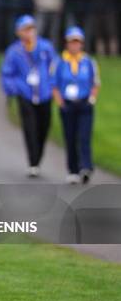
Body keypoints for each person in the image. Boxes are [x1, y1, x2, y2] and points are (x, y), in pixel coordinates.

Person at [1, 15, 57, 177]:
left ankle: (38, 156)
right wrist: (12, 89)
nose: (29, 32)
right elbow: (7, 73)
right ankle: (33, 162)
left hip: (44, 93)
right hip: (25, 93)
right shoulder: (14, 52)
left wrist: (53, 85)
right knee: (30, 127)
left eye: (31, 28)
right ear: (19, 32)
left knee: (44, 126)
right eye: (26, 29)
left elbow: (54, 67)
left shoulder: (46, 47)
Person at [51, 27, 100, 184]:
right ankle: (72, 169)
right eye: (72, 42)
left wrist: (92, 99)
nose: (74, 45)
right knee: (70, 137)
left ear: (82, 44)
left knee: (84, 136)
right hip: (68, 104)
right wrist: (61, 103)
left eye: (77, 42)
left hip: (84, 103)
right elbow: (54, 84)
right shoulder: (59, 62)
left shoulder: (88, 61)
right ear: (67, 43)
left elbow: (95, 83)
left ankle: (86, 166)